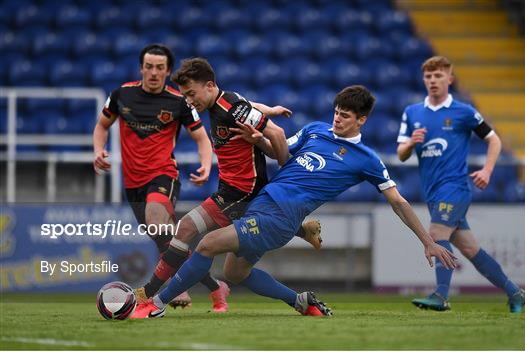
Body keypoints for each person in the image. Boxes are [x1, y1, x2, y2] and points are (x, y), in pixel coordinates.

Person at [131, 85, 457, 319]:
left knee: (206, 245)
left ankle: (155, 304)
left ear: (362, 120)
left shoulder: (367, 159)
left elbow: (398, 201)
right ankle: (300, 301)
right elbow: (279, 152)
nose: (337, 119)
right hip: (263, 203)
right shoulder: (316, 130)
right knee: (236, 272)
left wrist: (427, 241)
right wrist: (260, 140)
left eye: (345, 116)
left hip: (280, 215)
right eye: (336, 112)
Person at [132, 57, 323, 313]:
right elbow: (246, 105)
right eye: (185, 96)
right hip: (235, 190)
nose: (189, 101)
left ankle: (150, 294)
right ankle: (300, 233)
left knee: (188, 230)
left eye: (191, 94)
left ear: (209, 85)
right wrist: (270, 109)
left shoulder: (229, 106)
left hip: (241, 191)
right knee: (234, 271)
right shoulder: (225, 102)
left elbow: (275, 133)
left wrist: (285, 164)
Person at [92, 44, 228, 312]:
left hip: (163, 176)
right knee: (167, 243)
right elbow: (101, 126)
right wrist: (98, 150)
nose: (154, 72)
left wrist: (205, 164)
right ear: (141, 67)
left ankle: (179, 290)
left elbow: (201, 137)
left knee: (158, 225)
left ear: (167, 71)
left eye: (160, 68)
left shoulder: (178, 101)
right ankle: (216, 287)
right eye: (149, 66)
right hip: (132, 183)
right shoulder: (121, 95)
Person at [396, 56, 525, 313]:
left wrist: (487, 170)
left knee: (435, 235)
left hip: (456, 187)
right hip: (433, 192)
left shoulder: (463, 112)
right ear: (424, 79)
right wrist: (411, 142)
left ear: (449, 79)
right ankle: (515, 292)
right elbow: (401, 154)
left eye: (438, 76)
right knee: (470, 248)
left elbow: (494, 140)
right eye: (428, 76)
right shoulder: (412, 112)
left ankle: (441, 295)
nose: (433, 81)